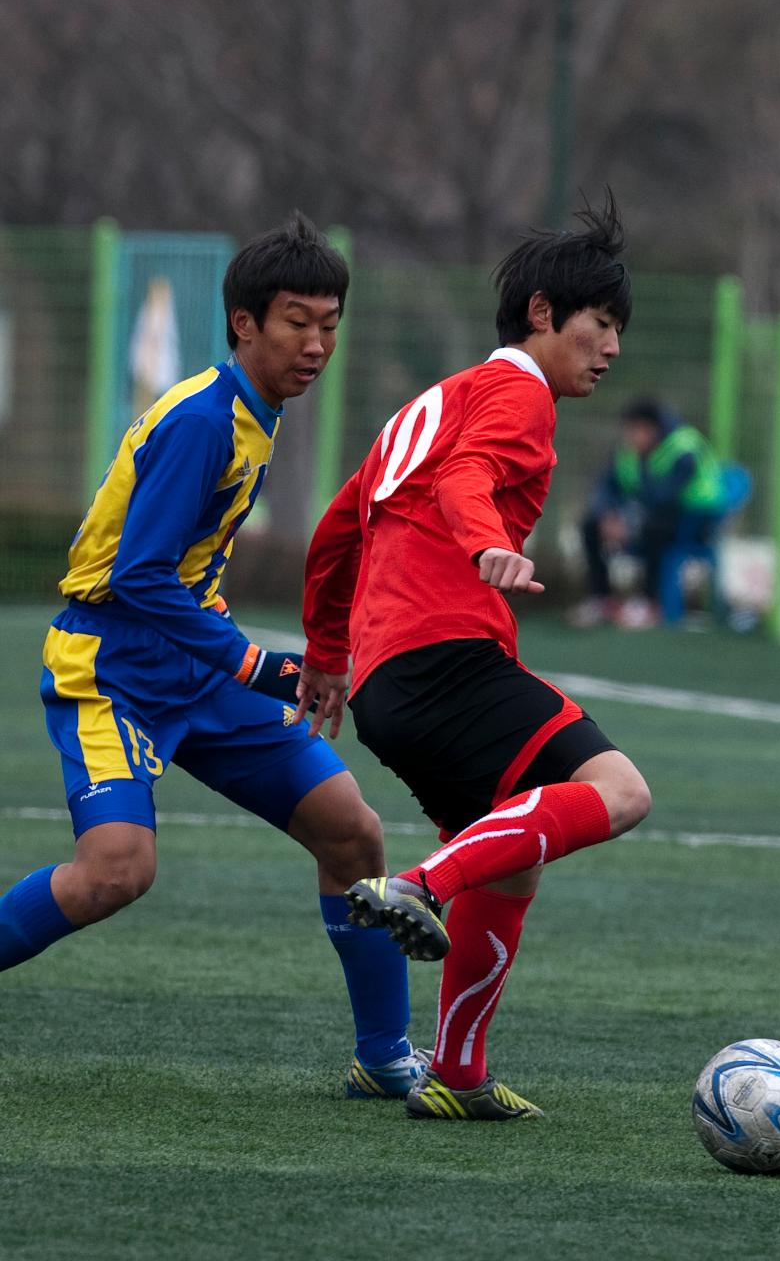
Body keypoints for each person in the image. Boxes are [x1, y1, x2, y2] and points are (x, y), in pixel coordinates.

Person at [0, 213, 427, 1101]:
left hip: (189, 664)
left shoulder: (253, 411)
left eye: (330, 323)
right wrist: (254, 664)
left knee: (351, 833)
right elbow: (140, 577)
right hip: (112, 666)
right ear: (245, 324)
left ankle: (384, 1059)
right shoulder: (203, 419)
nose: (318, 344)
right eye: (297, 322)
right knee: (117, 871)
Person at [295, 194, 652, 1121]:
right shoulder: (517, 391)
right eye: (600, 323)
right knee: (620, 793)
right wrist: (486, 542)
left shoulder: (430, 401)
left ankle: (456, 1077)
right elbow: (465, 479)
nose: (611, 347)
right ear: (542, 313)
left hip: (385, 682)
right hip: (446, 651)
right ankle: (418, 883)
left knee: (513, 860)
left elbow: (336, 534)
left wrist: (330, 654)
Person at [574, 397, 726, 629]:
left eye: (641, 430)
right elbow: (606, 486)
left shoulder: (684, 448)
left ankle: (649, 602)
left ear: (656, 429)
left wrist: (629, 522)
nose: (634, 436)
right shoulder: (627, 452)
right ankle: (601, 599)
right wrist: (609, 515)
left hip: (695, 523)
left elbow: (666, 499)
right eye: (630, 430)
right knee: (590, 525)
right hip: (645, 519)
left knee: (656, 528)